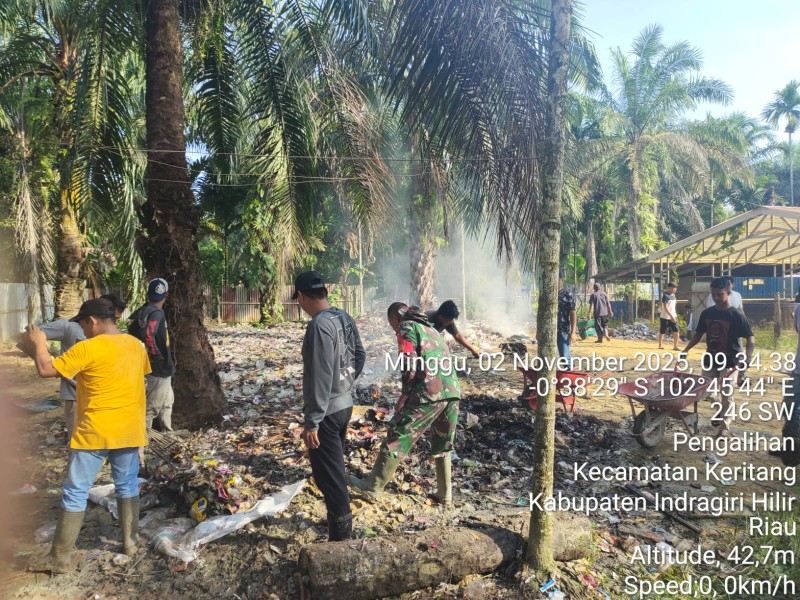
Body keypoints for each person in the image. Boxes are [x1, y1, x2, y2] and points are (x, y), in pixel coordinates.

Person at [24, 298, 150, 573]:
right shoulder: (135, 346)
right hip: (129, 429)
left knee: (75, 490)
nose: (82, 329)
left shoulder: (87, 348)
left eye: (82, 324)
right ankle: (130, 542)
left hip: (95, 431)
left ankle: (58, 559)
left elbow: (46, 369)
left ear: (92, 321)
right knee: (127, 484)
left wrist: (38, 343)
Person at [350, 304, 460, 506]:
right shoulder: (431, 329)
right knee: (442, 443)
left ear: (395, 318)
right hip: (452, 392)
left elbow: (408, 360)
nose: (394, 330)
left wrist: (405, 393)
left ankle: (372, 487)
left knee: (397, 435)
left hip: (428, 392)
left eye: (392, 324)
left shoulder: (407, 327)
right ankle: (445, 495)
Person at [295, 271, 365, 541]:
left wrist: (312, 421)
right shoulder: (342, 316)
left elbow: (322, 375)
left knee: (330, 477)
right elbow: (360, 354)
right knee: (331, 470)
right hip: (344, 405)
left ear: (301, 297)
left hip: (326, 412)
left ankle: (342, 538)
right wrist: (346, 384)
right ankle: (338, 526)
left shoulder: (318, 325)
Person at [16, 293, 127, 441]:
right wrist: (40, 354)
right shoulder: (69, 326)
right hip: (76, 399)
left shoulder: (119, 340)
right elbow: (30, 335)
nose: (113, 323)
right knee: (79, 444)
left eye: (116, 320)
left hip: (103, 399)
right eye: (114, 317)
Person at [680, 277, 755, 438]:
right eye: (713, 294)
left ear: (728, 293)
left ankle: (724, 428)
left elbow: (750, 339)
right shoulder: (708, 313)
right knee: (705, 391)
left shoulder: (737, 315)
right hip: (710, 360)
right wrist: (686, 350)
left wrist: (748, 357)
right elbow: (698, 335)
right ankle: (721, 412)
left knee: (726, 394)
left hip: (731, 361)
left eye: (719, 294)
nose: (715, 298)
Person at [128, 279, 175, 433]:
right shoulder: (157, 313)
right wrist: (155, 355)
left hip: (161, 367)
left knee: (167, 402)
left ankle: (167, 433)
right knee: (153, 406)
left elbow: (132, 329)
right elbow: (149, 335)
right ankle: (143, 440)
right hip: (159, 368)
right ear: (166, 295)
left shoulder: (145, 310)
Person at [557, 275, 577, 361]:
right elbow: (540, 313)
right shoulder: (546, 296)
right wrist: (538, 330)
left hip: (562, 330)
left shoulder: (567, 295)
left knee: (565, 357)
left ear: (561, 280)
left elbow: (572, 313)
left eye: (557, 280)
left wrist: (573, 332)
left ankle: (569, 372)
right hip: (548, 331)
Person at [658, 282, 680, 351]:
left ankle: (675, 346)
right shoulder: (665, 296)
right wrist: (671, 316)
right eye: (674, 287)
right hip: (665, 317)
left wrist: (674, 316)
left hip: (673, 317)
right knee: (662, 331)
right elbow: (665, 307)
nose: (675, 289)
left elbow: (673, 307)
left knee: (676, 330)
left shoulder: (674, 296)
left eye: (676, 287)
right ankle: (660, 345)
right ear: (670, 288)